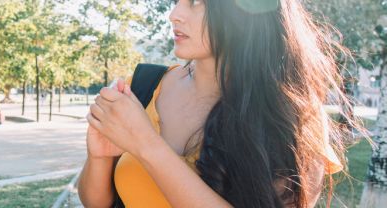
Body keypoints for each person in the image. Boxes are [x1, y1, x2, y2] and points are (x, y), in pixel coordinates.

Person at [78, 0, 356, 207]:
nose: (175, 14)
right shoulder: (143, 86)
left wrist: (146, 145)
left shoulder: (297, 116)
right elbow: (96, 203)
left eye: (197, 3)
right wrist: (99, 157)